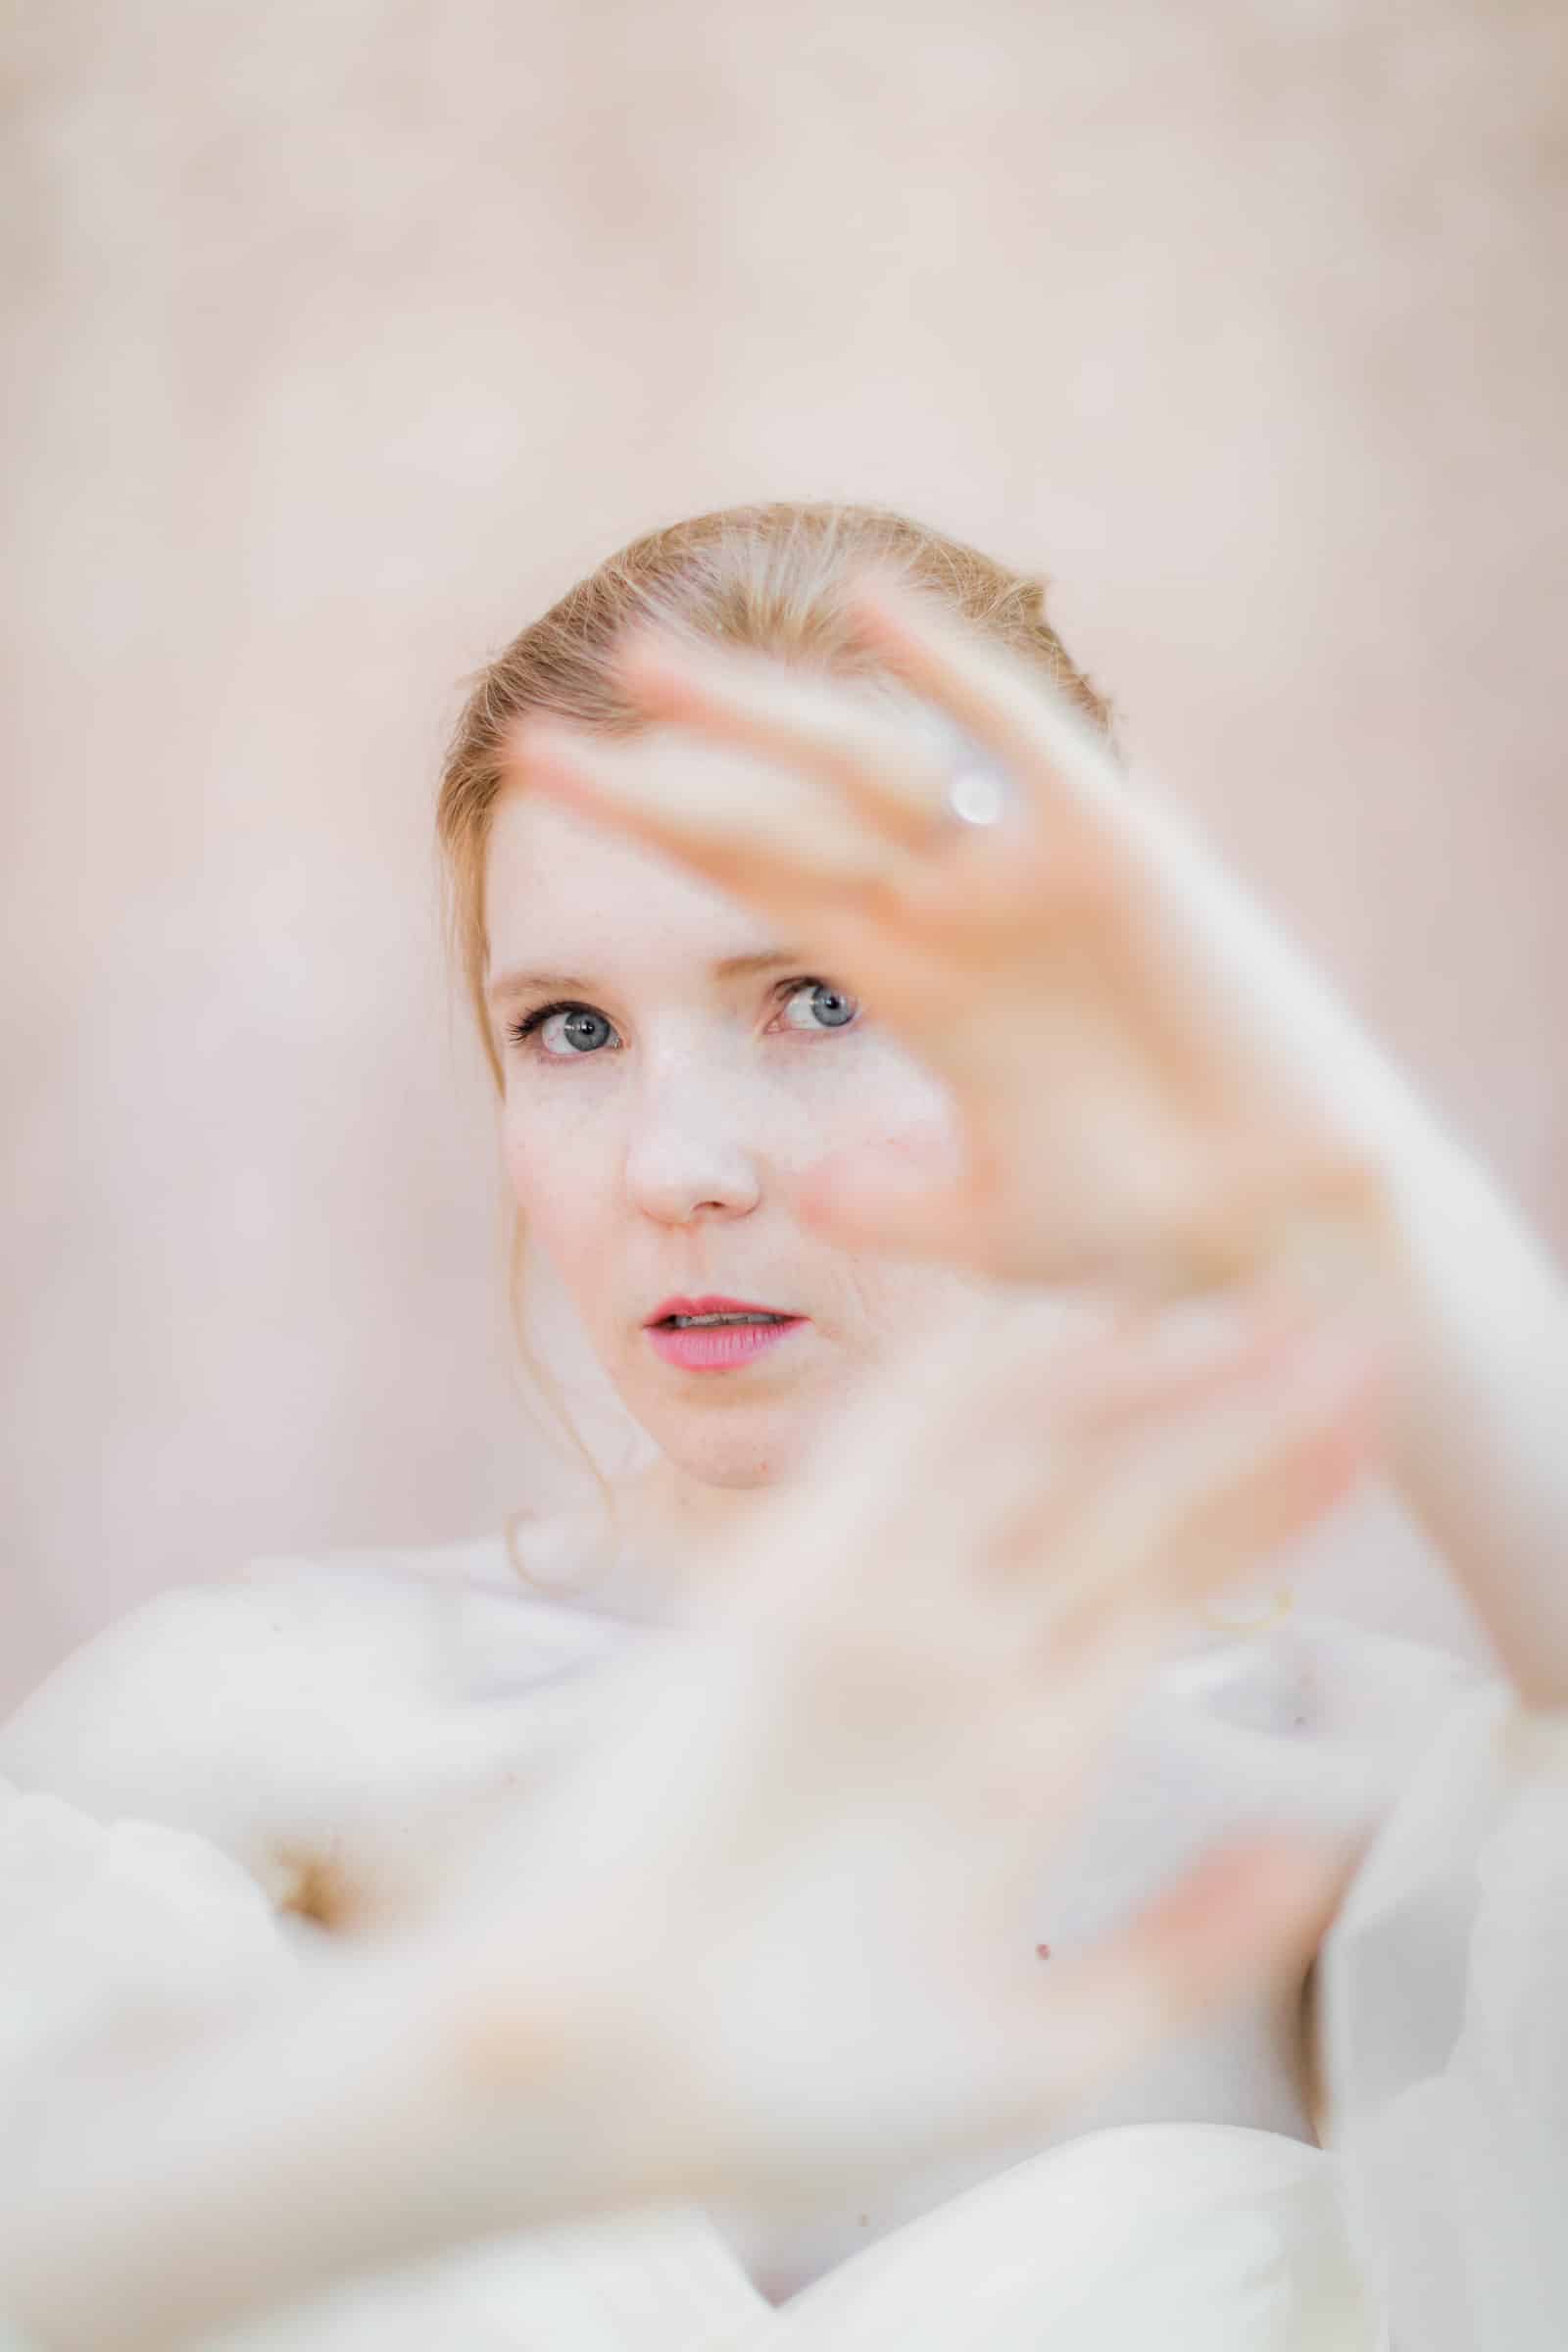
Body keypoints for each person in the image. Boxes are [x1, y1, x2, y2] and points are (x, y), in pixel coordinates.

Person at [0, 502, 1560, 2348]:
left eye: (817, 999)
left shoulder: (1360, 1827)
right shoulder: (224, 1743)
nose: (678, 1167)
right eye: (570, 1029)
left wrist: (1338, 1187)